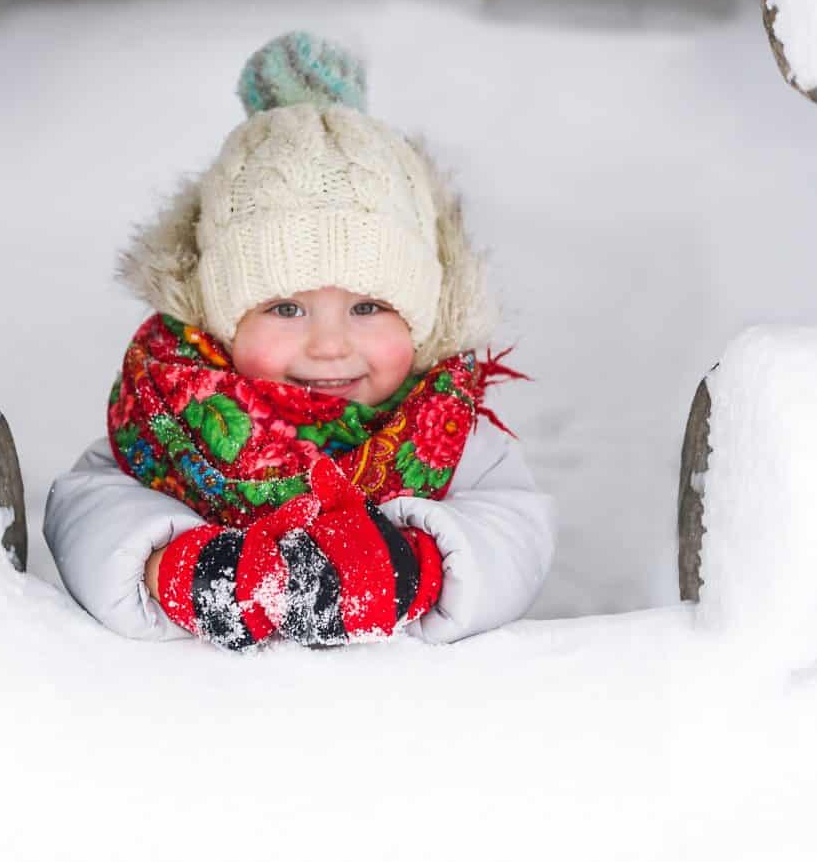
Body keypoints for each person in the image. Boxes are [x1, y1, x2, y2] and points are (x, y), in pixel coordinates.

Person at [44, 31, 555, 649]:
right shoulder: (167, 412)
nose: (330, 345)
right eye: (286, 308)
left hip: (413, 722)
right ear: (220, 320)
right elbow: (87, 510)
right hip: (196, 723)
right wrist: (180, 568)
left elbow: (516, 533)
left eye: (368, 307)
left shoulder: (446, 425)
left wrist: (414, 566)